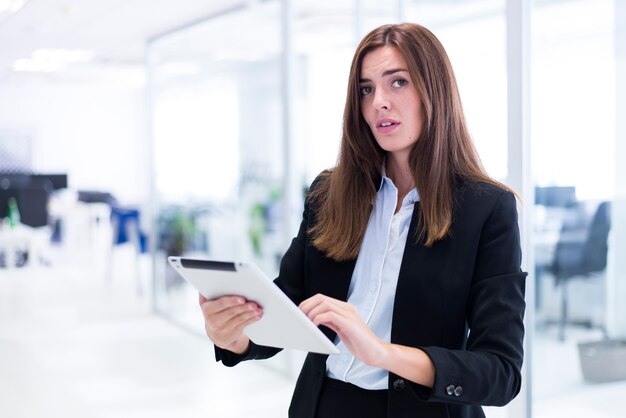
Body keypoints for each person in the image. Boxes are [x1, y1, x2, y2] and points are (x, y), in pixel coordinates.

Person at [199, 22, 526, 418]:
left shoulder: (487, 209)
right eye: (366, 89)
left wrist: (383, 353)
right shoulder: (328, 193)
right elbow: (288, 306)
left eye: (398, 82)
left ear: (433, 91)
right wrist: (232, 335)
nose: (378, 103)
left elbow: (500, 372)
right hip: (324, 406)